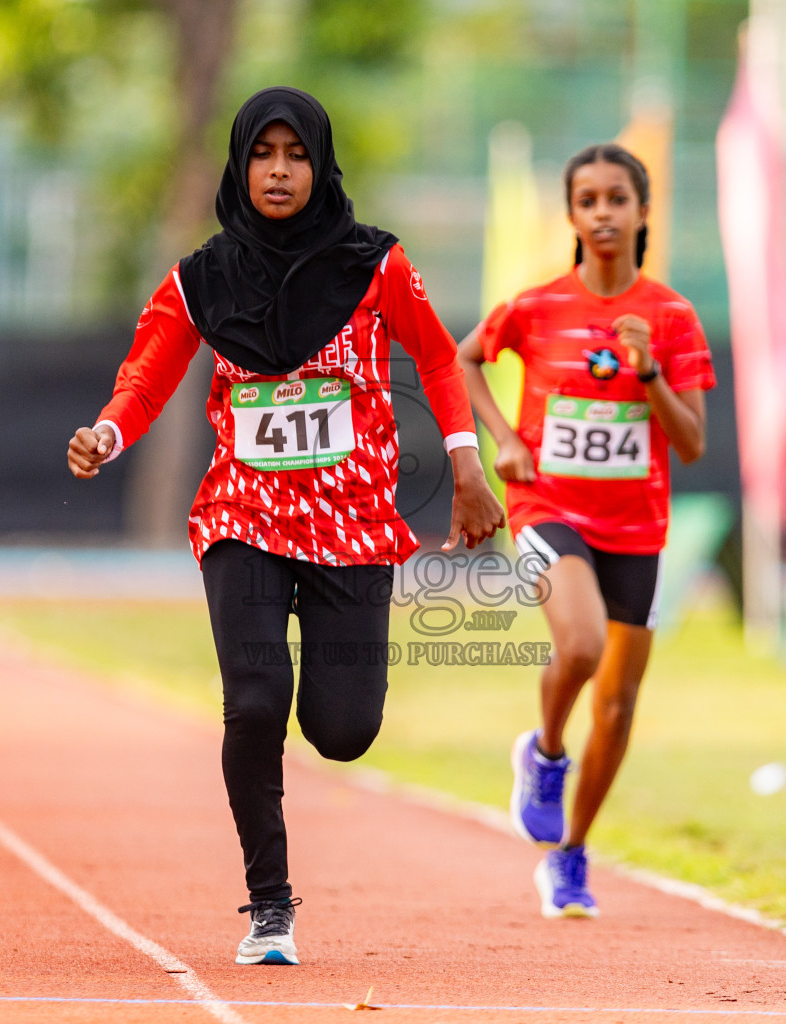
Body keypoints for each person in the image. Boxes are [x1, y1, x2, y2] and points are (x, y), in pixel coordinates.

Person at [66, 87, 504, 965]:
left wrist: (466, 462)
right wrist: (109, 430)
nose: (277, 170)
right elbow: (150, 373)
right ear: (239, 164)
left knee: (343, 732)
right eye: (262, 155)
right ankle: (271, 907)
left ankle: (326, 720)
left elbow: (434, 352)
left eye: (294, 155)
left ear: (319, 163)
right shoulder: (203, 278)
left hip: (351, 525)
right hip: (246, 515)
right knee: (256, 703)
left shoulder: (375, 264)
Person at [458, 143, 713, 919]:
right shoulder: (535, 308)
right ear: (571, 215)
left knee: (619, 703)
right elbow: (464, 358)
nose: (603, 214)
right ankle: (544, 753)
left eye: (617, 199)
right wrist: (502, 437)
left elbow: (693, 442)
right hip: (548, 509)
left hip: (635, 526)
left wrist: (648, 375)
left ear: (642, 212)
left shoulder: (671, 318)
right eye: (588, 200)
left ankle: (569, 854)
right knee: (580, 647)